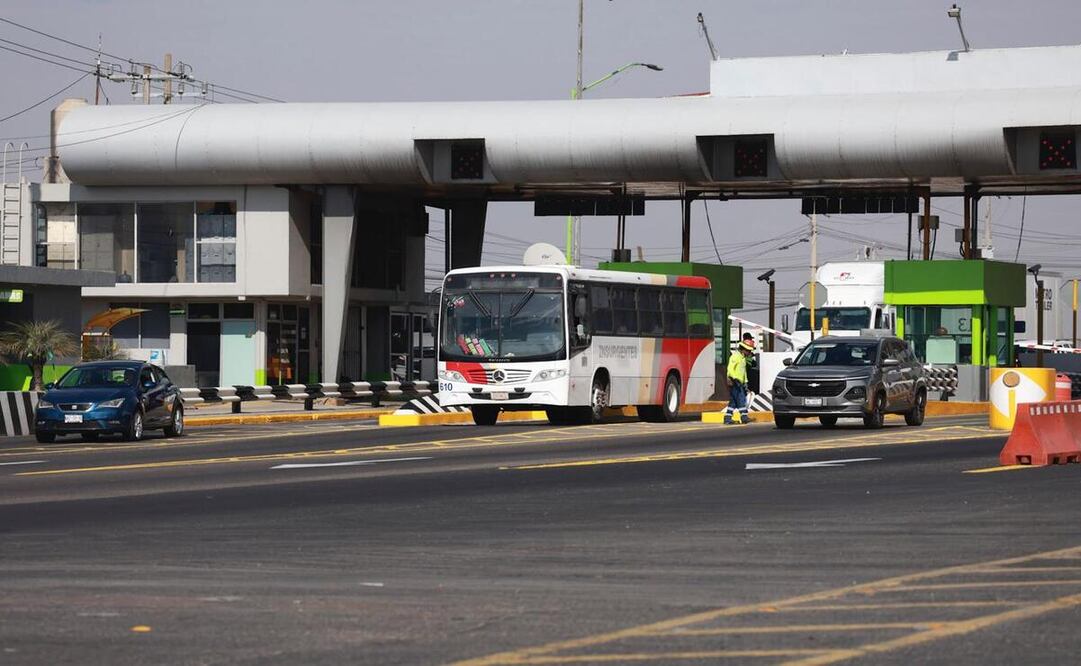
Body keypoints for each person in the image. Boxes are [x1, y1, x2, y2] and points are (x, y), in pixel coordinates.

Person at [724, 338, 755, 425]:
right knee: (741, 399)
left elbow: (743, 372)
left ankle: (727, 418)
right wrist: (734, 378)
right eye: (748, 351)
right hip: (735, 382)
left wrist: (745, 382)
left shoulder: (743, 358)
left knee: (733, 401)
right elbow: (730, 369)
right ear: (743, 349)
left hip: (740, 383)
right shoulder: (735, 356)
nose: (749, 353)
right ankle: (744, 417)